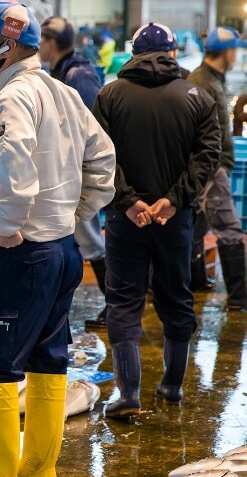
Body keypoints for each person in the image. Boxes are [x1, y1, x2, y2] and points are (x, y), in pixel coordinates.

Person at [0, 2, 116, 477]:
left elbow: (13, 163)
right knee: (46, 358)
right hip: (62, 250)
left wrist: (9, 227)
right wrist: (76, 214)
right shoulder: (62, 93)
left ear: (6, 46)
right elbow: (104, 159)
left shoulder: (12, 98)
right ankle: (38, 469)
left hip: (24, 254)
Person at [94, 23, 219, 419]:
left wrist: (129, 202)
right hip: (175, 221)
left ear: (133, 53)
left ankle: (128, 393)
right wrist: (172, 200)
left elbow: (98, 157)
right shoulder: (198, 96)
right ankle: (171, 386)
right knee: (175, 297)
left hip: (124, 219)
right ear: (173, 53)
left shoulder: (109, 94)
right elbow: (207, 156)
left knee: (124, 301)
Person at [188, 27, 247, 312]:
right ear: (227, 52)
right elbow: (199, 133)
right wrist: (217, 166)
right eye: (236, 49)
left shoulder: (212, 79)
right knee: (229, 228)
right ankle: (238, 296)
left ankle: (193, 280)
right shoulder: (202, 82)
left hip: (211, 168)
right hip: (211, 170)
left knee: (194, 227)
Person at [39, 16, 110, 328]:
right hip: (65, 171)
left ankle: (116, 306)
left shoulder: (78, 75)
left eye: (41, 40)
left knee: (91, 241)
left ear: (52, 43)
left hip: (77, 173)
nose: (38, 46)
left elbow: (92, 128)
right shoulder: (60, 71)